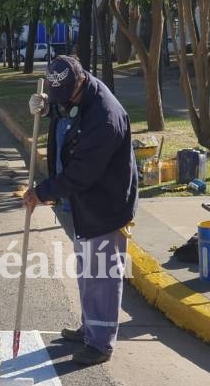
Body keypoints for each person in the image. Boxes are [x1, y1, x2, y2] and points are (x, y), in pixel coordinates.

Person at [24, 55, 138, 367]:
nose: (62, 101)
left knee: (102, 274)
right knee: (87, 270)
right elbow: (66, 114)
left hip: (105, 203)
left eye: (65, 96)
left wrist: (41, 193)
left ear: (81, 82)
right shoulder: (76, 94)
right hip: (83, 202)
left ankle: (100, 343)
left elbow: (82, 173)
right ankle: (91, 327)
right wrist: (48, 105)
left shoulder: (104, 117)